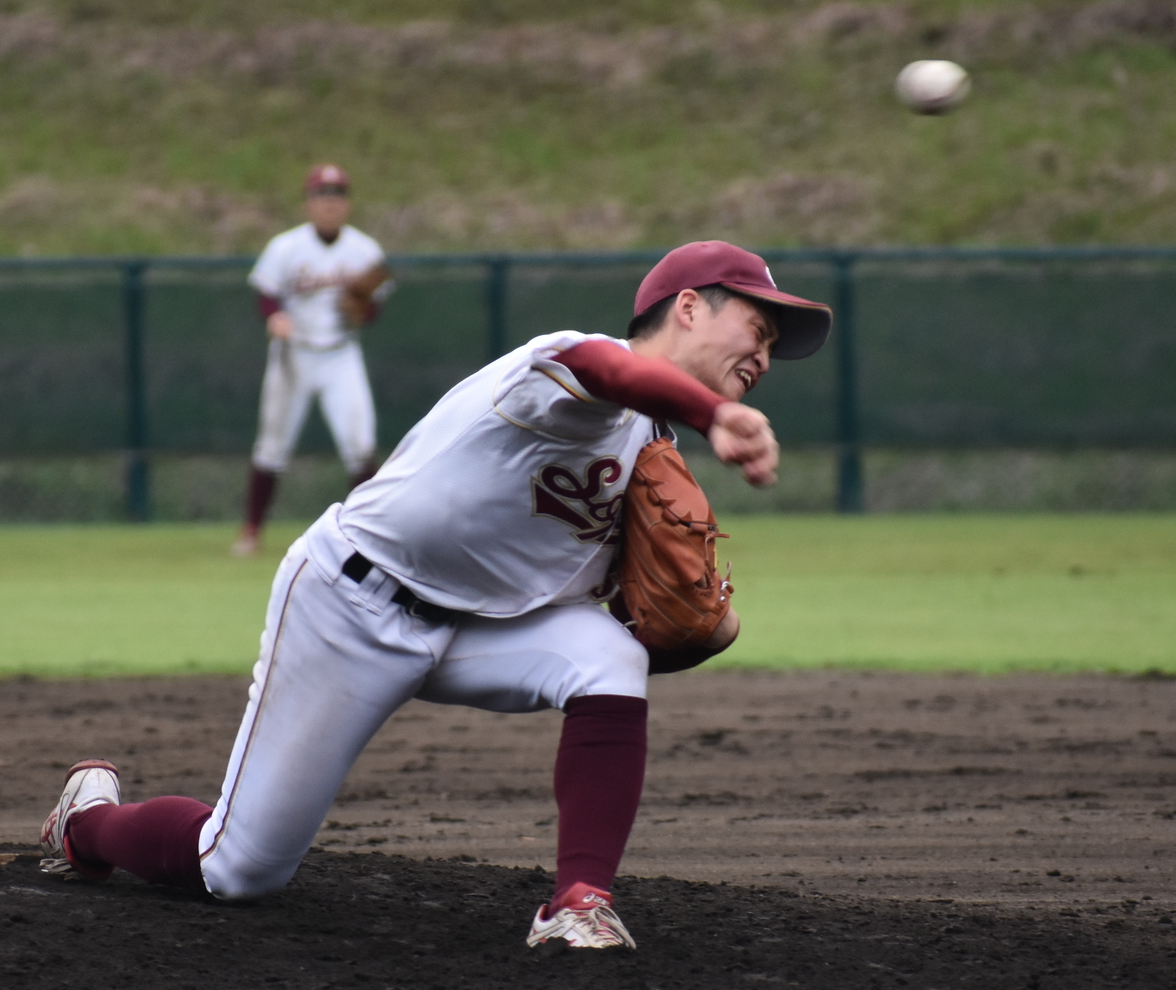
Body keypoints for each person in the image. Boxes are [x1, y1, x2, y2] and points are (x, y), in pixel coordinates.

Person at [45, 241, 830, 948]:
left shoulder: (651, 453)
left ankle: (578, 902)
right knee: (239, 868)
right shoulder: (570, 365)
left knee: (608, 655)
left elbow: (625, 611)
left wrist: (700, 634)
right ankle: (87, 823)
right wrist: (716, 411)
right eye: (756, 329)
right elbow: (607, 371)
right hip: (351, 605)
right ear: (688, 307)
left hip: (477, 634)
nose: (763, 354)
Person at [233, 163, 392, 556]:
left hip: (340, 354)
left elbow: (375, 309)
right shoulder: (285, 247)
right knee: (272, 446)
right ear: (309, 203)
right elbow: (266, 293)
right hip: (293, 355)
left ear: (348, 204)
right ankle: (251, 531)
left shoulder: (365, 250)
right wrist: (275, 315)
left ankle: (365, 535)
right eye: (322, 196)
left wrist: (361, 309)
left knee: (360, 443)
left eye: (337, 196)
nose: (329, 204)